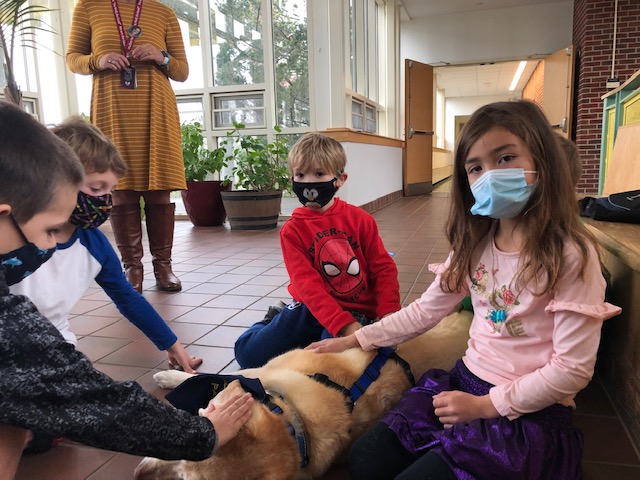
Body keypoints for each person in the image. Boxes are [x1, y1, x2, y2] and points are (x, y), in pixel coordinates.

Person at [306, 100, 621, 479]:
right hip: (465, 381)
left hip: (523, 409)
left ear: (543, 159)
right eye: (475, 167)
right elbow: (425, 311)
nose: (489, 175)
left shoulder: (572, 255)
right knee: (365, 461)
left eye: (505, 158)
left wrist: (486, 406)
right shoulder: (475, 241)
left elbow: (572, 369)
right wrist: (355, 340)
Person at [0, 101, 253, 480]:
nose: (50, 246)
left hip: (48, 351)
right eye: (48, 230)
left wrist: (171, 342)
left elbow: (126, 297)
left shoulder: (85, 245)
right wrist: (205, 435)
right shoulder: (13, 324)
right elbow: (102, 405)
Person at [10, 116, 202, 382]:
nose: (104, 201)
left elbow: (126, 297)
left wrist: (172, 344)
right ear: (55, 181)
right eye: (96, 188)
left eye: (110, 191)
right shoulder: (13, 241)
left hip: (55, 346)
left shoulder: (93, 243)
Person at [234, 133, 401, 368]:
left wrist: (388, 315)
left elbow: (383, 268)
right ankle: (275, 318)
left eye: (319, 174)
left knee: (333, 366)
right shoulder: (292, 231)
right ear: (291, 178)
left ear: (340, 179)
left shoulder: (361, 220)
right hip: (310, 308)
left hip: (357, 311)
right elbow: (307, 285)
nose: (309, 182)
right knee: (247, 355)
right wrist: (345, 327)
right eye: (300, 175)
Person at [66, 0, 189, 293]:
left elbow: (182, 71)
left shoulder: (163, 12)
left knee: (159, 192)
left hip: (156, 110)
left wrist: (162, 57)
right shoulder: (87, 7)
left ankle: (164, 267)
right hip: (111, 108)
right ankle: (132, 268)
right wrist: (99, 59)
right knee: (119, 192)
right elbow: (72, 58)